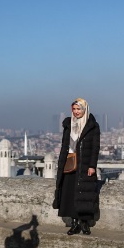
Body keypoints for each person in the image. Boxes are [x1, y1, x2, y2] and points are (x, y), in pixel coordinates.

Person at [53, 98, 100, 235]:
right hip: (70, 164)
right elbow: (65, 146)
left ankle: (84, 223)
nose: (76, 112)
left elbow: (95, 148)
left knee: (85, 195)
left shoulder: (92, 126)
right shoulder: (68, 125)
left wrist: (92, 165)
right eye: (74, 109)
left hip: (85, 165)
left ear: (84, 109)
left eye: (79, 109)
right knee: (70, 193)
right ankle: (74, 223)